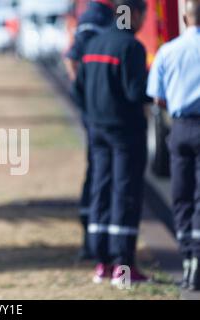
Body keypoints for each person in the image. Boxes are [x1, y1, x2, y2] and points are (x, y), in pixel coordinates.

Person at [73, 0, 149, 286]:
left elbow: (77, 88)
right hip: (125, 132)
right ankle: (124, 267)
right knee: (125, 192)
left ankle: (102, 264)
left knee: (101, 188)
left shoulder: (93, 44)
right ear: (135, 15)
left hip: (97, 131)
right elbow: (135, 93)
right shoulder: (131, 47)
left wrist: (92, 115)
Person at [147, 0, 200, 291]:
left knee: (181, 195)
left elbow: (157, 97)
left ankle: (188, 257)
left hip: (180, 128)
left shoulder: (168, 51)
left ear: (184, 16)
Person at [65, 0, 115, 261]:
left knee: (100, 171)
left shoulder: (107, 12)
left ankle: (98, 239)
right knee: (99, 172)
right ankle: (92, 241)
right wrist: (87, 97)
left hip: (98, 112)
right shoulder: (96, 13)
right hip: (98, 114)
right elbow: (72, 59)